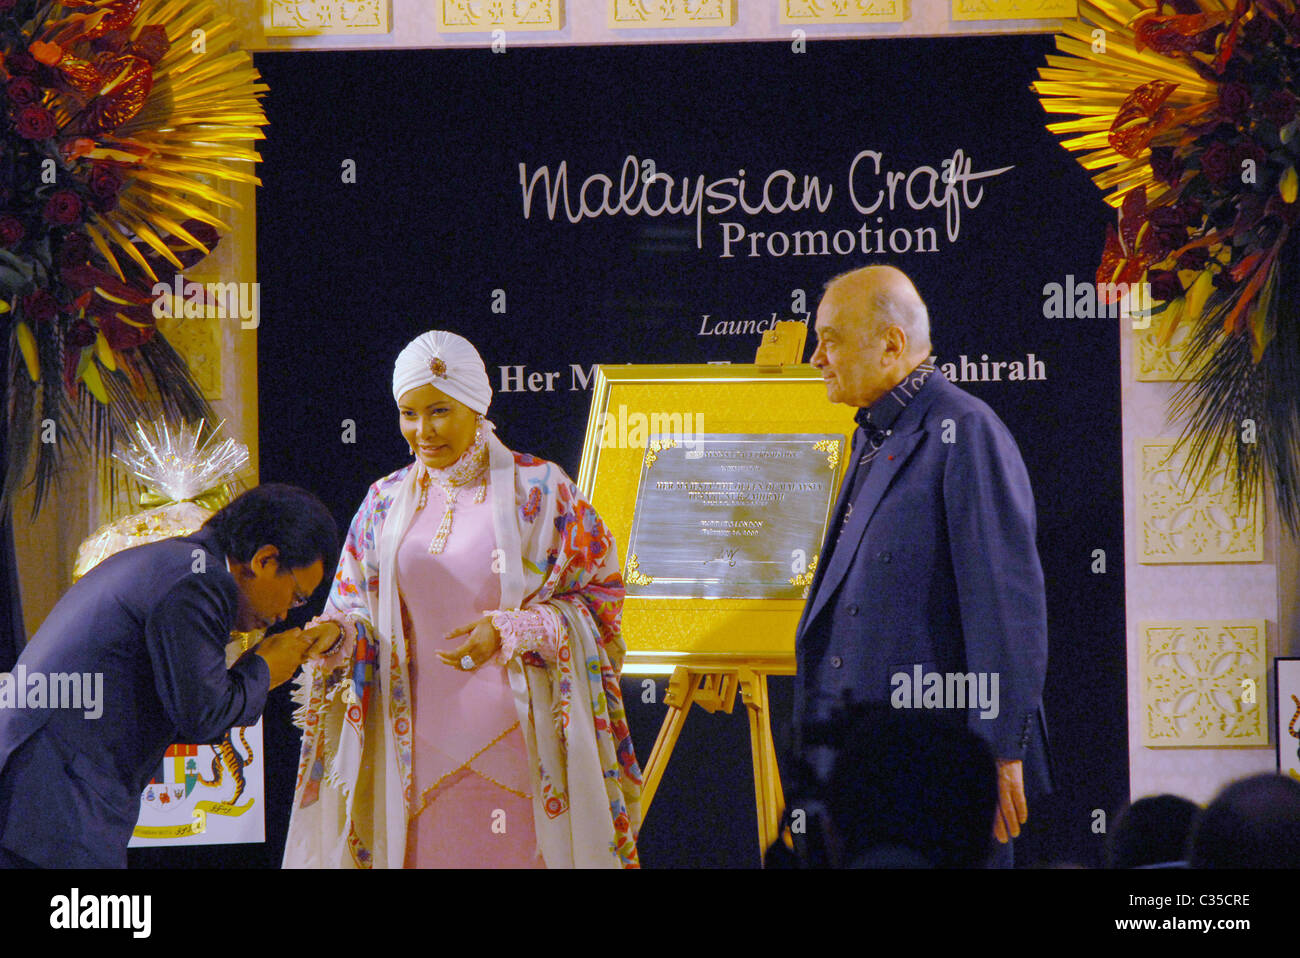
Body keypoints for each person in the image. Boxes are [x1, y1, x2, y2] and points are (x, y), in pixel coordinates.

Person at [283, 330, 641, 868]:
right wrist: (335, 636)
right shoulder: (382, 500)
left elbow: (601, 597)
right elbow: (354, 609)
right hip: (410, 753)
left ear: (476, 405)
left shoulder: (541, 490)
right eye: (408, 413)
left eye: (439, 411)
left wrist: (512, 629)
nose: (422, 431)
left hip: (521, 741)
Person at [789, 265, 1051, 867]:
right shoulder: (873, 434)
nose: (816, 358)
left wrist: (1001, 751)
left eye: (830, 338)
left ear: (891, 343)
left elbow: (1005, 602)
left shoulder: (966, 429)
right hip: (866, 770)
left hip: (935, 775)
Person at [0, 483, 338, 868]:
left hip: (42, 790)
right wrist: (264, 668)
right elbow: (202, 716)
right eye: (296, 596)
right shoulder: (198, 580)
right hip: (49, 799)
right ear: (264, 560)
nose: (284, 616)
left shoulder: (181, 563)